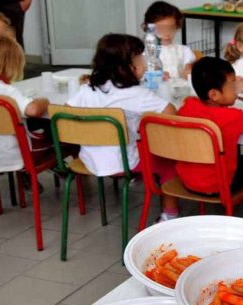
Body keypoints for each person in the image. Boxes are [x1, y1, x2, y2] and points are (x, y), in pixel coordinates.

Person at [67, 33, 176, 220]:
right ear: (128, 66)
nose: (144, 61)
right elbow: (171, 113)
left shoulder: (87, 89)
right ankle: (170, 215)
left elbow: (67, 114)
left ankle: (138, 180)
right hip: (123, 162)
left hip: (89, 159)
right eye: (141, 57)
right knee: (169, 161)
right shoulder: (137, 94)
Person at [176, 57, 243, 206]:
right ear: (214, 95)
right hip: (219, 187)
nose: (236, 88)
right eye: (232, 85)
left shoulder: (188, 106)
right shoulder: (232, 117)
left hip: (187, 181)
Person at [0, 34, 49, 175]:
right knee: (56, 138)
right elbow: (33, 110)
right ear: (10, 66)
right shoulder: (6, 91)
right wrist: (45, 101)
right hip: (16, 156)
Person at [143, 1, 195, 79]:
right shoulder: (142, 53)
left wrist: (189, 72)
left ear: (177, 26)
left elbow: (189, 73)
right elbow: (137, 77)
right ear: (149, 28)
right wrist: (152, 76)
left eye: (171, 28)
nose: (167, 33)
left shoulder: (184, 51)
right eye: (161, 29)